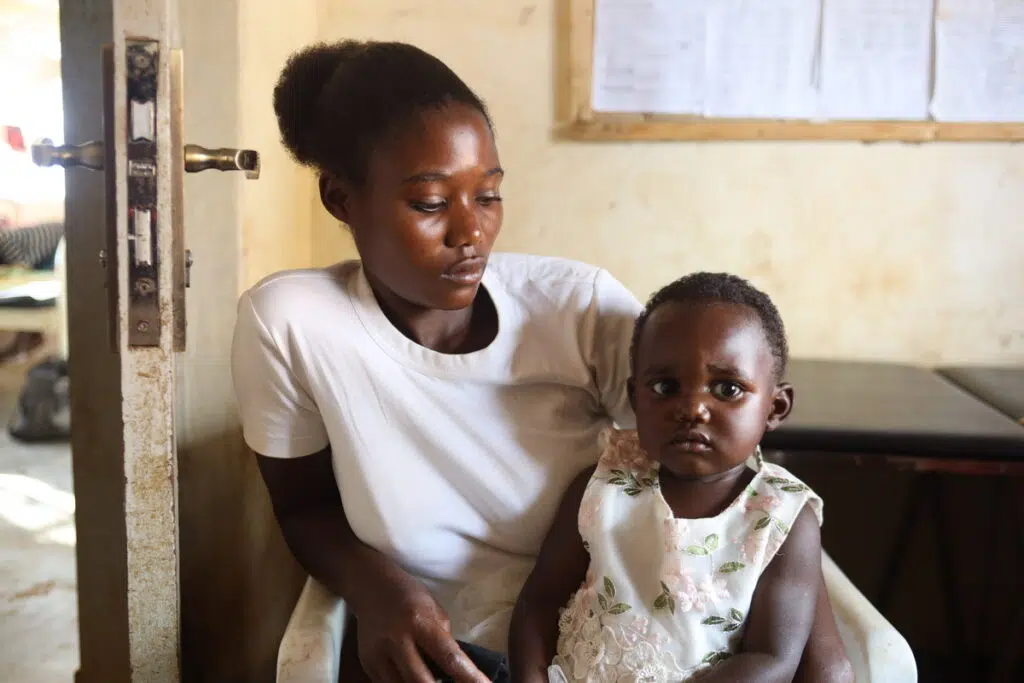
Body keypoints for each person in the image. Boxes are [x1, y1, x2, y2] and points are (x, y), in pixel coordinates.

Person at [230, 40, 852, 683]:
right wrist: (379, 591)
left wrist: (824, 654)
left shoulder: (575, 307)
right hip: (442, 656)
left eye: (488, 195)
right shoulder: (294, 324)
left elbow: (725, 463)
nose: (471, 234)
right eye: (431, 203)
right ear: (340, 199)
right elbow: (304, 508)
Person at [510, 273, 822, 683]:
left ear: (775, 408)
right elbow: (540, 602)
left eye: (727, 389)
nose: (691, 408)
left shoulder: (781, 518)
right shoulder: (604, 486)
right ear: (635, 398)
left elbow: (773, 657)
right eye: (664, 386)